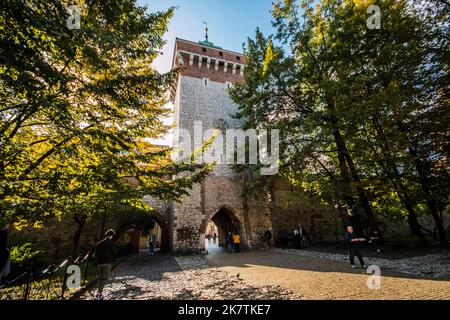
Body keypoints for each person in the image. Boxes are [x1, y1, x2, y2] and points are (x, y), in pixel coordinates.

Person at [94, 229, 116, 300]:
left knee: (99, 278)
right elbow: (114, 252)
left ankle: (98, 291)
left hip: (99, 263)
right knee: (104, 278)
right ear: (111, 235)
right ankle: (99, 293)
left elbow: (95, 254)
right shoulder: (111, 243)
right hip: (107, 263)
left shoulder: (99, 243)